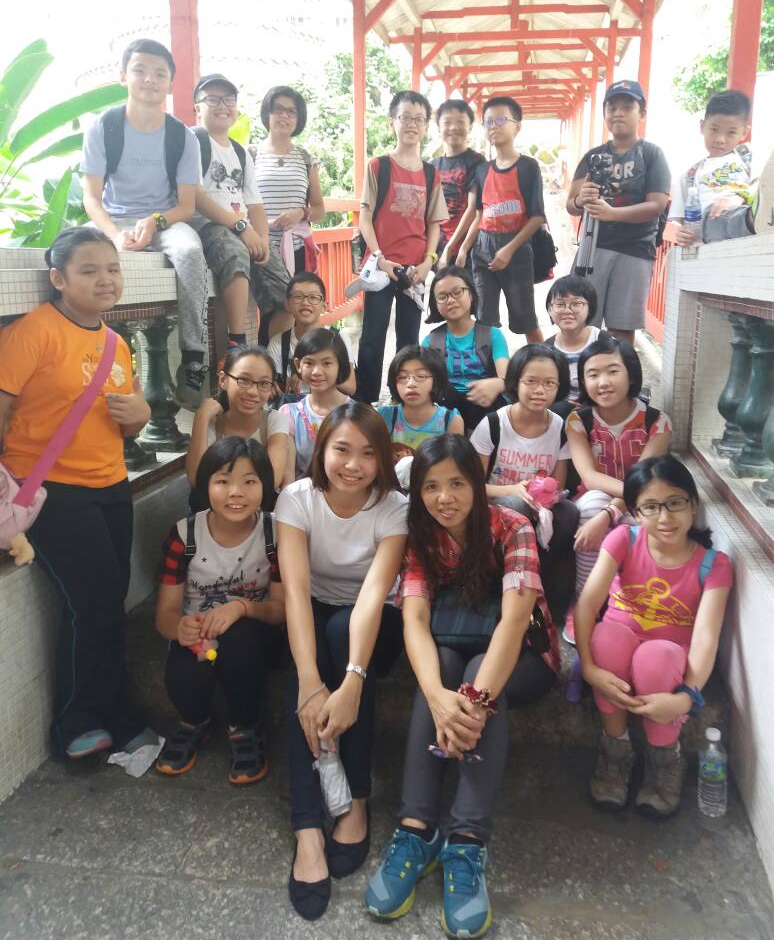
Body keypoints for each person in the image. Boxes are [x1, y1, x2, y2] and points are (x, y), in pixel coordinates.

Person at [364, 435, 558, 938]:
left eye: (456, 483)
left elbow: (514, 622)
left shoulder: (512, 526)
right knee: (445, 664)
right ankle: (416, 830)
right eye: (430, 486)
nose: (444, 497)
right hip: (453, 644)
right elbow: (415, 618)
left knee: (472, 676)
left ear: (477, 481)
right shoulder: (420, 536)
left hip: (524, 656)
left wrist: (471, 704)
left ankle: (468, 839)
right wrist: (436, 697)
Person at [0, 227, 151, 758]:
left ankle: (111, 707)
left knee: (108, 599)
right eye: (89, 271)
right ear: (58, 279)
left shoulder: (116, 344)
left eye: (112, 268)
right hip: (52, 490)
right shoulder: (32, 333)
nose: (105, 279)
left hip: (111, 485)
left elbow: (128, 422)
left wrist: (142, 414)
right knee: (93, 602)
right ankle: (76, 721)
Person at [276, 402, 408, 920]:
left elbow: (374, 596)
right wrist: (310, 681)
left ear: (383, 460)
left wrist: (351, 679)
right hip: (314, 607)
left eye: (368, 454)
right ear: (322, 450)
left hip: (377, 619)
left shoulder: (393, 508)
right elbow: (295, 591)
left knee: (341, 630)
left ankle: (356, 798)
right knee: (306, 657)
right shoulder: (296, 499)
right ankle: (308, 828)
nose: (353, 465)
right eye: (342, 450)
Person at [576, 455, 732, 818]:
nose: (664, 517)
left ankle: (664, 760)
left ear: (693, 505)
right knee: (607, 638)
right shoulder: (624, 539)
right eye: (651, 507)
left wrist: (686, 698)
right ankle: (615, 751)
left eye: (675, 503)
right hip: (617, 650)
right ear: (636, 513)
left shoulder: (714, 565)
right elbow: (587, 605)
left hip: (666, 663)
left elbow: (706, 639)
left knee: (656, 657)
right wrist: (588, 668)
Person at [81, 38, 209, 410]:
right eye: (140, 70)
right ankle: (85, 347)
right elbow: (91, 198)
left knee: (190, 251)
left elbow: (186, 205)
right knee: (75, 254)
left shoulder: (181, 136)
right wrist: (114, 235)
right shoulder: (104, 127)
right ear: (124, 76)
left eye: (159, 73)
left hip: (165, 220)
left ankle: (194, 358)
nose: (149, 79)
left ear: (170, 83)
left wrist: (154, 222)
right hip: (114, 219)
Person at [155, 437, 285, 782]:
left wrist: (241, 608)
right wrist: (179, 628)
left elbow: (281, 610)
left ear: (265, 486)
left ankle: (245, 727)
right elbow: (165, 614)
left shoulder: (275, 533)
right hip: (199, 634)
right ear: (205, 485)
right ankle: (194, 723)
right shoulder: (184, 536)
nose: (236, 493)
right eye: (223, 481)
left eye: (249, 481)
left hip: (255, 634)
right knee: (183, 672)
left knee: (241, 643)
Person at [564, 335, 672, 643]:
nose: (603, 382)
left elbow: (645, 478)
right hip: (597, 498)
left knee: (638, 523)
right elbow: (590, 477)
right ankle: (585, 601)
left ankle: (627, 604)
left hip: (642, 501)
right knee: (591, 506)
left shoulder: (657, 422)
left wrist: (611, 513)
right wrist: (611, 508)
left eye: (613, 371)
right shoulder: (578, 421)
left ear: (631, 374)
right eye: (592, 374)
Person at [470, 344, 578, 623]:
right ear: (516, 382)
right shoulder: (493, 424)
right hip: (496, 510)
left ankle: (552, 602)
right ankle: (508, 595)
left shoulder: (559, 428)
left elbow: (557, 485)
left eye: (549, 383)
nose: (540, 390)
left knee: (569, 513)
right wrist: (514, 490)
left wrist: (543, 498)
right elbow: (471, 486)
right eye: (531, 381)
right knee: (514, 505)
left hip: (539, 511)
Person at [352, 90, 449, 403]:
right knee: (372, 334)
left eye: (419, 119)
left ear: (426, 127)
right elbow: (365, 217)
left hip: (415, 269)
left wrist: (428, 262)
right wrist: (379, 257)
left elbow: (434, 223)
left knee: (409, 338)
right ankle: (366, 399)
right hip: (382, 267)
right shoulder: (379, 166)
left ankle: (401, 397)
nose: (412, 124)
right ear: (392, 122)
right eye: (405, 117)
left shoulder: (431, 174)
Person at [566, 79, 671, 345]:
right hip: (593, 247)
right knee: (580, 321)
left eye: (627, 107)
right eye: (611, 108)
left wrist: (612, 214)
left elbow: (657, 205)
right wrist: (581, 199)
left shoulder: (652, 154)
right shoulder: (593, 156)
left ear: (641, 113)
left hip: (635, 250)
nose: (618, 113)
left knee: (622, 329)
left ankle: (619, 372)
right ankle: (580, 371)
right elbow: (571, 205)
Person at [190, 73, 271, 351]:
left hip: (242, 228)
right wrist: (241, 227)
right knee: (235, 254)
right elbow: (195, 197)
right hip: (209, 226)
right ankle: (237, 345)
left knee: (280, 278)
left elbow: (255, 203)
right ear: (197, 107)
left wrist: (264, 240)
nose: (222, 106)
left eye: (229, 100)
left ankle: (275, 356)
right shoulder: (192, 142)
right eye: (212, 99)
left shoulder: (240, 151)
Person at [457, 96, 545, 345]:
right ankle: (489, 365)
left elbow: (537, 216)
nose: (493, 126)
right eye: (488, 122)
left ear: (517, 126)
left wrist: (509, 249)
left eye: (501, 120)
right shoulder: (482, 170)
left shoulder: (528, 167)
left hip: (516, 249)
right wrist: (464, 248)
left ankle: (541, 362)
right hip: (483, 249)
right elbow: (480, 215)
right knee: (484, 319)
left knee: (526, 318)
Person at [253, 86, 326, 339]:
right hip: (262, 246)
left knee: (298, 311)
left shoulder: (305, 158)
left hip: (297, 248)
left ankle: (290, 360)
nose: (285, 116)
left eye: (291, 111)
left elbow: (319, 209)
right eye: (279, 109)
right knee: (277, 307)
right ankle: (271, 360)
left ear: (298, 118)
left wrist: (300, 213)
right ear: (268, 113)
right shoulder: (250, 155)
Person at [186, 345, 289, 494]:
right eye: (244, 380)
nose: (253, 391)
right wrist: (201, 417)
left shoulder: (274, 420)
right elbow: (196, 479)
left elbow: (271, 481)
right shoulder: (211, 424)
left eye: (264, 383)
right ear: (223, 380)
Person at [422, 266, 509, 432]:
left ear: (471, 294)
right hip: (447, 408)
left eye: (457, 292)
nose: (450, 300)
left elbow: (505, 378)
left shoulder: (493, 335)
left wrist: (497, 384)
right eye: (442, 296)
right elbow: (425, 382)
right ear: (435, 303)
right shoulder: (430, 342)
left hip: (485, 405)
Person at [670, 89, 755, 246]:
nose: (720, 139)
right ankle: (751, 220)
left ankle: (751, 219)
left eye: (731, 132)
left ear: (744, 132)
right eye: (714, 129)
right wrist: (681, 234)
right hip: (708, 232)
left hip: (745, 232)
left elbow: (764, 186)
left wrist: (738, 197)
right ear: (702, 126)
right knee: (713, 217)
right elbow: (680, 223)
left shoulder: (750, 158)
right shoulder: (690, 175)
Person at [267, 272, 356, 398]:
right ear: (287, 305)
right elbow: (272, 385)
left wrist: (306, 375)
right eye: (298, 297)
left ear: (324, 306)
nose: (305, 302)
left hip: (330, 408)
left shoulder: (339, 338)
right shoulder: (278, 343)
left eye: (313, 297)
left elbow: (350, 387)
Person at [279, 328, 352, 478]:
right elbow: (288, 476)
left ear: (340, 365)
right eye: (309, 363)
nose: (316, 371)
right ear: (298, 365)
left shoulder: (357, 415)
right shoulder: (290, 415)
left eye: (326, 363)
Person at [542, 274, 608, 420]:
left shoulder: (604, 342)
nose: (567, 310)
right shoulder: (546, 350)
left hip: (602, 405)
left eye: (576, 304)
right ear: (550, 310)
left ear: (590, 308)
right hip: (562, 413)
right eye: (560, 304)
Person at [378, 345, 464, 456]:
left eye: (421, 376)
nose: (411, 384)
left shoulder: (451, 421)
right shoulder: (383, 417)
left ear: (436, 380)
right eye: (402, 377)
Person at [430, 99, 485, 266]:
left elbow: (474, 209)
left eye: (460, 122)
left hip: (467, 249)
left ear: (470, 127)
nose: (453, 127)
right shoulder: (432, 166)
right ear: (438, 128)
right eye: (447, 122)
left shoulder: (477, 162)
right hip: (437, 245)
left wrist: (452, 247)